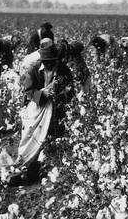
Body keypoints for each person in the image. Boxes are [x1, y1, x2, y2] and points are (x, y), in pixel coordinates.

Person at [5, 43, 77, 186]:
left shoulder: (63, 71)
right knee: (32, 138)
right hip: (36, 110)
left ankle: (48, 169)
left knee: (52, 137)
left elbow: (70, 92)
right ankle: (27, 169)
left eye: (52, 61)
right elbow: (27, 91)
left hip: (56, 110)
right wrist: (43, 94)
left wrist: (58, 95)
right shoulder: (33, 70)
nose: (50, 64)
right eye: (47, 62)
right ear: (42, 61)